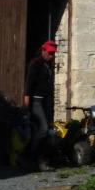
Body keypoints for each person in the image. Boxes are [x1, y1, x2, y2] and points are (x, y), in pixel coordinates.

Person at [22, 40, 56, 170]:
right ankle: (27, 155)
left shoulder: (48, 65)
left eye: (53, 53)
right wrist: (26, 102)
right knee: (44, 129)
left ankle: (41, 160)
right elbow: (29, 83)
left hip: (44, 101)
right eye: (50, 53)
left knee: (48, 132)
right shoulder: (35, 64)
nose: (51, 56)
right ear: (43, 50)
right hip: (36, 101)